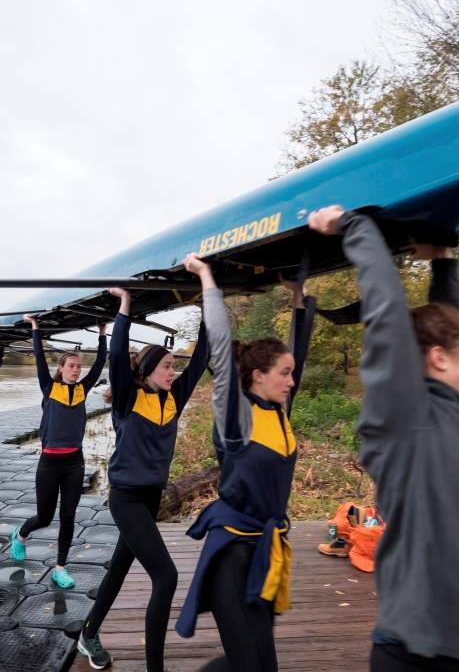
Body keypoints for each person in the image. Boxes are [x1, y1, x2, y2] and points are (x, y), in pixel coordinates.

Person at [308, 205, 459, 672]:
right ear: (438, 359)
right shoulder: (404, 423)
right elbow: (386, 318)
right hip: (415, 653)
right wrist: (354, 227)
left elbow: (446, 331)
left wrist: (443, 260)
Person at [175, 254, 315, 672]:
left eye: (292, 374)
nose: (292, 381)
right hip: (231, 558)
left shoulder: (279, 412)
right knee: (250, 665)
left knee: (260, 664)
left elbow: (299, 355)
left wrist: (299, 298)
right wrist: (207, 280)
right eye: (284, 374)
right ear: (257, 375)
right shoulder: (238, 419)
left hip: (265, 555)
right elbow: (220, 347)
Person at [77, 287, 209, 672]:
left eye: (173, 365)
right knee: (166, 577)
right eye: (168, 366)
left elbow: (202, 357)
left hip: (151, 499)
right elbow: (117, 356)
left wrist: (206, 310)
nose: (174, 371)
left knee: (119, 569)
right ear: (149, 370)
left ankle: (88, 633)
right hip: (126, 498)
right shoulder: (126, 398)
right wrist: (125, 307)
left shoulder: (173, 398)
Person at [9, 317, 108, 590]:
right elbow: (40, 358)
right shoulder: (48, 387)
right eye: (71, 366)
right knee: (45, 517)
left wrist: (102, 333)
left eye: (79, 366)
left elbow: (100, 363)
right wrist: (36, 329)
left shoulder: (83, 390)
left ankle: (60, 568)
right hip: (49, 463)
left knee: (68, 516)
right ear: (61, 368)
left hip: (74, 462)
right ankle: (20, 534)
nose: (76, 370)